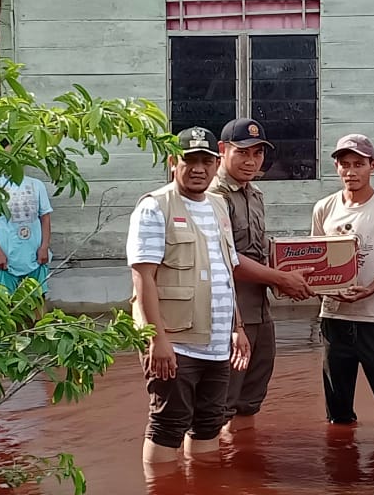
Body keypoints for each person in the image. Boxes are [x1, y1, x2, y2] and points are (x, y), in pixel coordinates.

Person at [126, 126, 250, 464]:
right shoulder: (155, 207)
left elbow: (227, 271)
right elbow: (143, 278)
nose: (199, 169)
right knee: (167, 424)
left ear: (216, 163)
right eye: (190, 160)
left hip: (217, 343)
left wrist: (237, 329)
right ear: (172, 162)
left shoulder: (218, 205)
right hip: (175, 343)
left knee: (209, 425)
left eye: (206, 161)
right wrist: (157, 340)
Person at [209, 117, 315, 436]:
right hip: (229, 315)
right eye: (243, 153)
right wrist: (281, 279)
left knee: (250, 401)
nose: (251, 160)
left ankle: (243, 474)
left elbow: (260, 251)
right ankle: (211, 478)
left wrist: (307, 273)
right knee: (218, 406)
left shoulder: (254, 195)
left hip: (259, 310)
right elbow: (228, 260)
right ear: (223, 151)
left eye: (258, 154)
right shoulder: (213, 197)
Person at [311, 134, 374, 426]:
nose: (351, 171)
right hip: (334, 317)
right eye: (345, 164)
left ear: (373, 165)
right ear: (336, 167)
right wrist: (324, 290)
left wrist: (369, 289)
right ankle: (343, 468)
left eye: (358, 164)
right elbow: (317, 260)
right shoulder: (324, 209)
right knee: (338, 415)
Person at [0, 142, 53, 301]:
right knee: (4, 304)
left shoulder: (36, 185)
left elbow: (45, 218)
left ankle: (40, 327)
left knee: (38, 300)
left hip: (34, 257)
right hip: (5, 260)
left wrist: (44, 247)